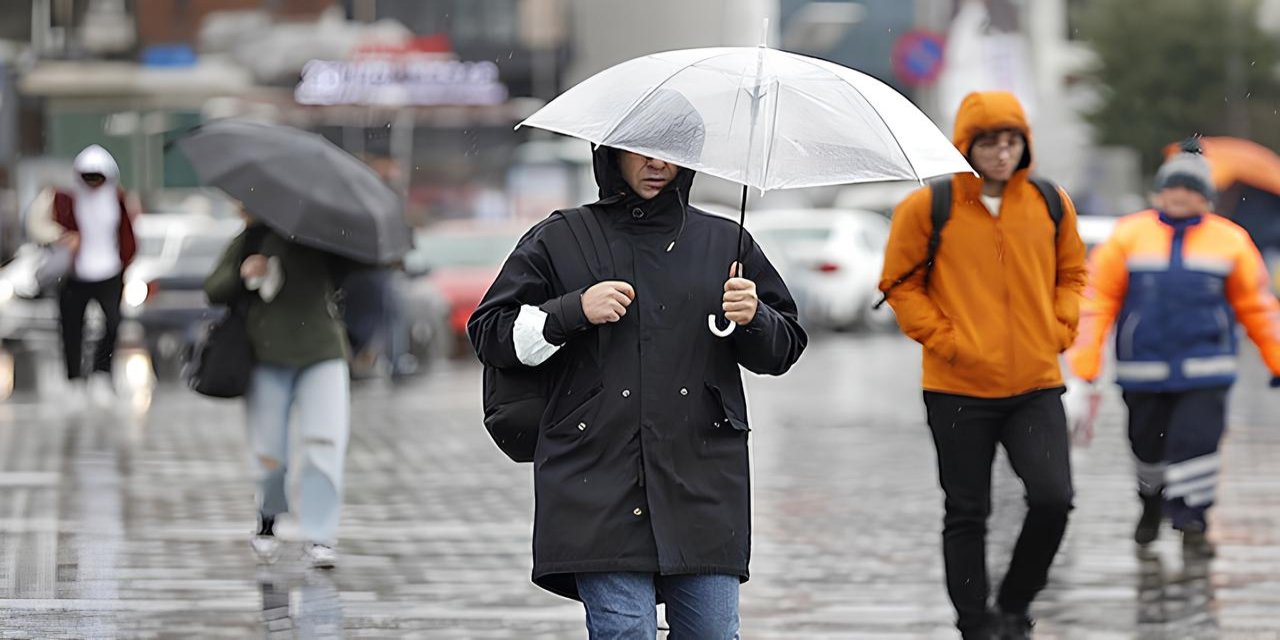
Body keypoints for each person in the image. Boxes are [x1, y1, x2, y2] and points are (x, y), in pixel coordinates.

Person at [468, 130, 807, 635]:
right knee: (624, 632)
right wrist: (572, 310)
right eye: (641, 150)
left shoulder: (725, 241)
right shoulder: (561, 237)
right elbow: (490, 333)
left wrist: (755, 316)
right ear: (611, 154)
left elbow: (783, 350)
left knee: (712, 633)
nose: (655, 164)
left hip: (704, 482)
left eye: (670, 153)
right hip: (595, 478)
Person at [878, 91, 1087, 639]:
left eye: (1011, 140)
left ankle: (1015, 606)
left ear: (1025, 145)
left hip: (1035, 385)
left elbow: (1072, 274)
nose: (1001, 152)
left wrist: (1059, 327)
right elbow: (899, 287)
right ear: (966, 145)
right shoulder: (928, 207)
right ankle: (976, 624)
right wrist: (947, 340)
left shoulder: (1049, 201)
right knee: (968, 512)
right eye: (989, 141)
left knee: (1053, 499)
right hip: (956, 388)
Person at [1065, 139, 1280, 558]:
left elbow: (1258, 306)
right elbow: (1096, 302)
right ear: (1158, 192)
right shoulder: (1128, 237)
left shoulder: (1231, 241)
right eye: (1173, 187)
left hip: (1207, 371)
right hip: (1142, 372)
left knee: (1197, 444)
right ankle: (1151, 504)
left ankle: (1192, 519)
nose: (1180, 195)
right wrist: (1085, 362)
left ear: (1207, 198)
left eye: (1191, 189)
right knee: (1147, 448)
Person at [204, 212, 353, 569]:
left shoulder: (326, 235)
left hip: (322, 353)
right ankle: (268, 519)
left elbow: (354, 275)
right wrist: (244, 273)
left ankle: (320, 533)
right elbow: (214, 288)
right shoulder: (252, 237)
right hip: (266, 354)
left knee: (324, 444)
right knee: (269, 451)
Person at [26, 145, 138, 406]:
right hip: (75, 274)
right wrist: (61, 237)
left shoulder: (118, 199)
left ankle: (101, 374)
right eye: (88, 177)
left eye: (98, 178)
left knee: (112, 324)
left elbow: (129, 236)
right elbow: (35, 224)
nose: (93, 184)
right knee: (71, 327)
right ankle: (75, 379)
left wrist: (125, 262)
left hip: (109, 272)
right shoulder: (64, 198)